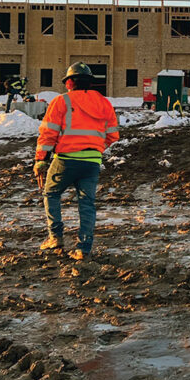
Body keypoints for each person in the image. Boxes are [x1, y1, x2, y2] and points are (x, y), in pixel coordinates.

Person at [34, 63, 119, 261]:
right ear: (90, 83)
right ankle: (83, 249)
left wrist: (40, 160)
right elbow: (113, 135)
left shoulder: (61, 101)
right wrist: (95, 147)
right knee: (87, 204)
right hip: (92, 163)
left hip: (65, 160)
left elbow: (48, 134)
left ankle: (55, 237)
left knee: (51, 193)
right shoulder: (104, 103)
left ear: (69, 82)